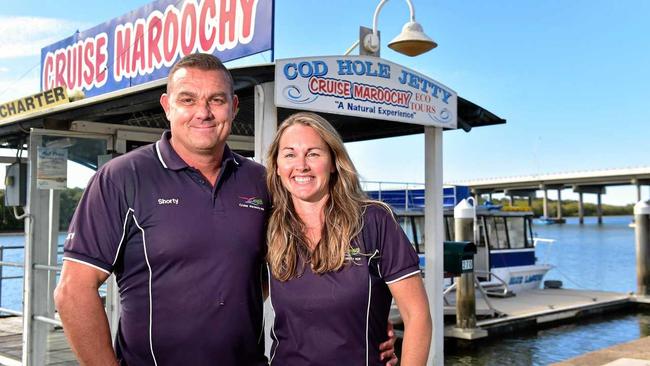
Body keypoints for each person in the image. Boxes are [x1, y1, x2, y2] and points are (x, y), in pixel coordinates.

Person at [54, 53, 397, 365]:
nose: (203, 112)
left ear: (233, 106)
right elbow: (74, 291)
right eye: (187, 100)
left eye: (216, 100)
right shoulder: (121, 178)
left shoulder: (261, 181)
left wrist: (368, 324)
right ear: (167, 106)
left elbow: (301, 264)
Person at [265, 112, 432, 365]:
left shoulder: (374, 221)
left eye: (313, 153)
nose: (301, 165)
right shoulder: (267, 226)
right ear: (277, 166)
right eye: (289, 154)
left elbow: (417, 315)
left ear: (333, 162)